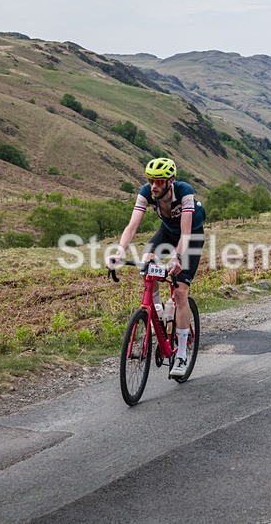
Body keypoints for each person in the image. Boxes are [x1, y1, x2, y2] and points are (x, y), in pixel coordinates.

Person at [106, 158, 206, 378]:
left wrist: (177, 258)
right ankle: (158, 313)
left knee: (180, 292)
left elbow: (186, 233)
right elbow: (132, 226)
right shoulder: (146, 192)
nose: (153, 185)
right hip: (167, 233)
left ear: (170, 181)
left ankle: (181, 354)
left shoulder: (184, 192)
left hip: (191, 236)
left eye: (159, 181)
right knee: (146, 264)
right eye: (151, 180)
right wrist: (119, 252)